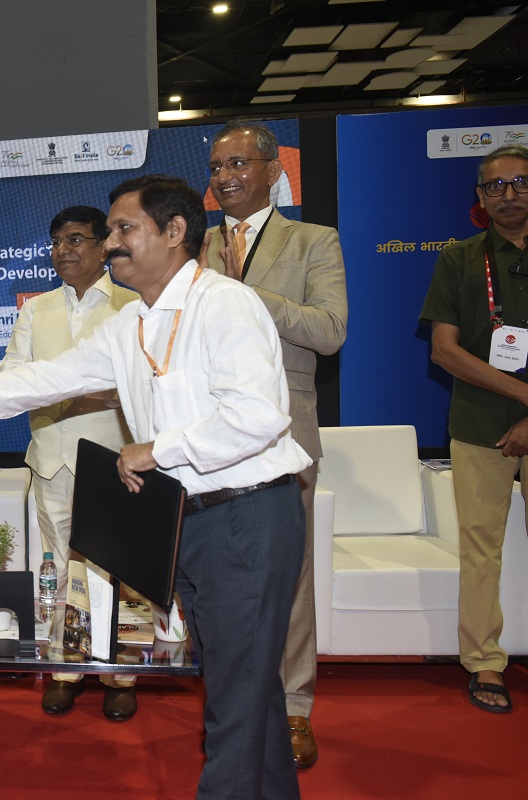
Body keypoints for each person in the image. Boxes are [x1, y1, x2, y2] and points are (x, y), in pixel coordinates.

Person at [0, 175, 310, 800]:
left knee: (234, 701)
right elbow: (44, 379)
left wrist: (156, 450)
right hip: (188, 521)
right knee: (246, 688)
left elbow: (258, 417)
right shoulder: (132, 324)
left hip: (246, 518)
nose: (112, 243)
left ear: (174, 231)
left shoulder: (224, 303)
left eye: (125, 229)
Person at [203, 119, 348, 766]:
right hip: (208, 436)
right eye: (216, 167)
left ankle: (294, 706)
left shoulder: (314, 240)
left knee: (291, 576)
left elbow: (330, 331)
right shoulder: (194, 243)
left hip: (285, 432)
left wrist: (246, 294)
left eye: (238, 164)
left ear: (271, 171)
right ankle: (232, 705)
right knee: (216, 575)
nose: (225, 177)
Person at [0, 205, 140, 721]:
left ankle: (119, 674)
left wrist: (71, 389)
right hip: (51, 459)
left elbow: (140, 382)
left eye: (76, 239)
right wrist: (64, 390)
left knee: (112, 570)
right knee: (58, 570)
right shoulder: (36, 310)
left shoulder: (132, 304)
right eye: (57, 241)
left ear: (104, 246)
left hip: (113, 461)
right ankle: (67, 669)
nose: (64, 250)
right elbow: (13, 379)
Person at [420, 143, 528, 715]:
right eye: (495, 186)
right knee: (480, 549)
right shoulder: (460, 260)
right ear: (480, 198)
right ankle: (485, 661)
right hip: (479, 425)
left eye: (520, 182)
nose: (509, 194)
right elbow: (445, 351)